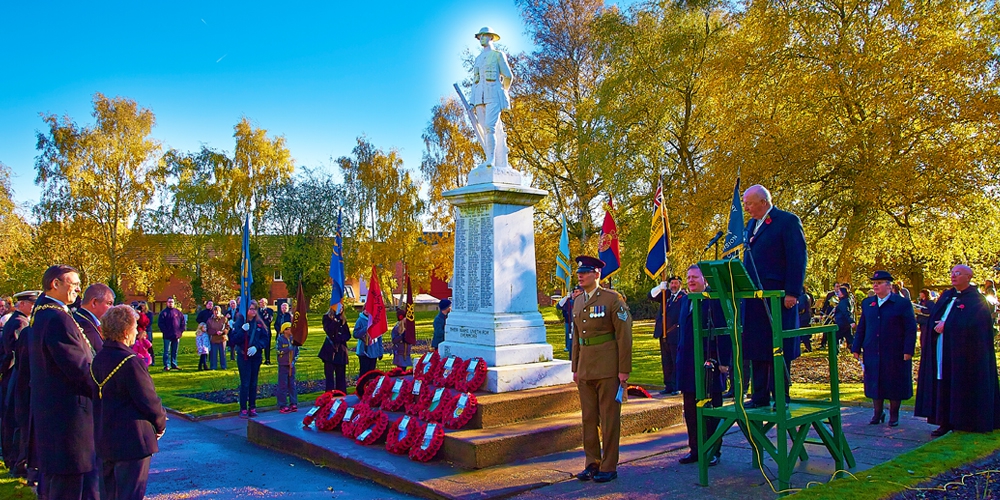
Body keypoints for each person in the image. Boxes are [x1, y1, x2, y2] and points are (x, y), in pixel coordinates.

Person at [29, 265, 100, 499]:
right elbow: (78, 368)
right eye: (74, 282)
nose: (79, 288)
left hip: (58, 415)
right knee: (71, 485)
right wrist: (106, 388)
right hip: (68, 418)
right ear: (55, 284)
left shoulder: (47, 313)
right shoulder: (56, 318)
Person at [90, 304, 166, 500]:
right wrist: (160, 424)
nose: (137, 331)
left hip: (105, 439)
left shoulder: (98, 359)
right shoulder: (130, 361)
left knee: (110, 494)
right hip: (132, 442)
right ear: (125, 332)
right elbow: (148, 400)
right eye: (135, 327)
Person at [741, 184, 806, 409]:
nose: (746, 207)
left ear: (763, 202)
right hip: (754, 298)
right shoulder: (751, 225)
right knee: (756, 346)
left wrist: (792, 292)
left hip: (777, 298)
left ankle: (781, 396)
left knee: (778, 348)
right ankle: (759, 395)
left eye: (749, 203)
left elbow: (797, 258)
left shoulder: (787, 221)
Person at [915, 265, 1000, 436]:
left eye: (958, 273)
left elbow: (978, 327)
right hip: (942, 349)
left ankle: (964, 421)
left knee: (960, 384)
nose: (953, 276)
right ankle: (944, 421)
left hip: (964, 354)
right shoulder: (947, 296)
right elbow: (935, 318)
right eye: (952, 273)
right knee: (943, 383)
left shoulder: (976, 300)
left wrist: (948, 325)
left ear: (969, 277)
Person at [571, 256, 632, 484]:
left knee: (609, 418)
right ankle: (592, 463)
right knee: (588, 418)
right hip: (585, 368)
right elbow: (576, 337)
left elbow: (624, 336)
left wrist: (624, 369)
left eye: (585, 272)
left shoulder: (612, 299)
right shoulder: (577, 302)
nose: (580, 275)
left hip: (608, 368)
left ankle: (609, 465)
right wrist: (575, 367)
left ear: (597, 274)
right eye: (579, 272)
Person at [676, 265, 729, 466]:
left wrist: (724, 363)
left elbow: (723, 333)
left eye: (695, 277)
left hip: (709, 365)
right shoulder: (685, 301)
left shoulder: (713, 300)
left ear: (704, 280)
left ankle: (713, 449)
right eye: (688, 277)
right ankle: (696, 450)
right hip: (688, 365)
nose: (690, 281)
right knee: (690, 409)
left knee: (711, 409)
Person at [851, 271, 918, 427]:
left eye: (879, 283)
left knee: (894, 382)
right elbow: (862, 327)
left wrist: (908, 350)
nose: (875, 285)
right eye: (874, 283)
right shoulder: (868, 303)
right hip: (873, 349)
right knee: (875, 381)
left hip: (894, 350)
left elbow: (910, 328)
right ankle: (877, 412)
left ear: (889, 286)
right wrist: (856, 346)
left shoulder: (901, 304)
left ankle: (894, 415)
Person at [0, 290, 37, 476]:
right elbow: (15, 354)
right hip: (13, 375)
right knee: (15, 421)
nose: (33, 306)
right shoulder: (19, 323)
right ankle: (15, 461)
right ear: (22, 304)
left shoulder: (18, 321)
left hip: (12, 375)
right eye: (31, 303)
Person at [469, 27, 514, 170]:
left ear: (491, 37)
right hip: (478, 98)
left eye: (484, 36)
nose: (481, 38)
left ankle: (491, 160)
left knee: (490, 127)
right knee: (483, 129)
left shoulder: (497, 55)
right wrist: (471, 101)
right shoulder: (477, 59)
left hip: (493, 94)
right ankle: (490, 158)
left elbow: (508, 76)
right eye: (479, 36)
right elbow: (475, 80)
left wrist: (503, 91)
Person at [230, 303, 268, 418]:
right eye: (251, 309)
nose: (253, 311)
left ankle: (252, 406)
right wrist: (242, 330)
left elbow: (265, 339)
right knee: (245, 383)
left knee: (253, 383)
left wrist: (257, 346)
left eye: (255, 309)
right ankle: (243, 408)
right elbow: (233, 340)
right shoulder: (240, 323)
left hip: (255, 357)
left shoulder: (259, 323)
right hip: (244, 356)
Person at [649, 276, 684, 395]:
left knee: (676, 361)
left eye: (675, 283)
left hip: (675, 333)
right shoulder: (666, 295)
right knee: (666, 361)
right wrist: (660, 287)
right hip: (663, 334)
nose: (673, 285)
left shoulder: (683, 297)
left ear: (680, 284)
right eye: (671, 283)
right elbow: (651, 296)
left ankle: (677, 386)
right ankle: (668, 385)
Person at [74, 283, 115, 354]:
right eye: (109, 303)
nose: (112, 308)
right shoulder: (83, 325)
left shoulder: (87, 320)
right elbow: (99, 354)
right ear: (94, 303)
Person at [319, 307, 351, 392]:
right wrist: (335, 319)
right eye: (338, 308)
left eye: (342, 308)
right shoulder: (326, 318)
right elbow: (329, 331)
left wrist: (340, 338)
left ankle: (341, 395)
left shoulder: (343, 319)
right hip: (330, 351)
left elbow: (348, 335)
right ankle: (329, 396)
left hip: (341, 350)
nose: (340, 309)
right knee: (329, 376)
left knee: (341, 376)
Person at [276, 322, 299, 413]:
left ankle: (293, 403)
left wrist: (293, 361)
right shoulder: (280, 340)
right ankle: (282, 404)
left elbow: (297, 351)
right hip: (283, 365)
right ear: (284, 330)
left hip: (291, 365)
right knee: (283, 385)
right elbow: (278, 351)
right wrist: (287, 349)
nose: (291, 330)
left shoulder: (294, 340)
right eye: (289, 328)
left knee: (292, 384)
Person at [157, 297, 185, 371]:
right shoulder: (163, 313)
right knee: (167, 351)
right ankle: (167, 365)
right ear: (167, 303)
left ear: (174, 303)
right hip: (167, 336)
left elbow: (183, 323)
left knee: (174, 351)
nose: (170, 303)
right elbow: (160, 324)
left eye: (172, 302)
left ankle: (174, 364)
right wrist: (165, 331)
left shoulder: (178, 312)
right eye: (169, 302)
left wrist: (180, 331)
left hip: (176, 335)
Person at [354, 310, 383, 377]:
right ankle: (362, 386)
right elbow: (355, 334)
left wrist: (380, 352)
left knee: (371, 372)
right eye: (365, 309)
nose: (367, 311)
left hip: (374, 351)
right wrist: (365, 328)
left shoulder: (375, 321)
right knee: (364, 372)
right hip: (363, 351)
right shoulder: (360, 320)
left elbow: (379, 338)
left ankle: (370, 386)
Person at [557, 286, 582, 357]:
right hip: (571, 326)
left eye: (577, 292)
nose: (574, 294)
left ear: (581, 292)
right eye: (574, 292)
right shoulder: (570, 302)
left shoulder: (584, 301)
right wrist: (566, 297)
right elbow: (559, 306)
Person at [797, 285, 814, 352]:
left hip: (803, 317)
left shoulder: (802, 297)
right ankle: (808, 347)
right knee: (805, 333)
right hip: (807, 316)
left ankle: (808, 347)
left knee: (803, 333)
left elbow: (801, 307)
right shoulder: (807, 296)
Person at [258, 298, 274, 365]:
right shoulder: (257, 310)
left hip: (266, 330)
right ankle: (259, 359)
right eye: (260, 302)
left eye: (262, 302)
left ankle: (267, 359)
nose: (260, 303)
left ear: (265, 303)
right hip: (258, 330)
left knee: (267, 346)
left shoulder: (270, 310)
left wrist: (262, 322)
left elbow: (269, 320)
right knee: (259, 345)